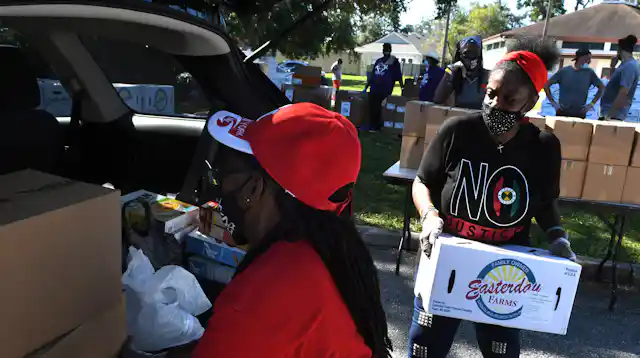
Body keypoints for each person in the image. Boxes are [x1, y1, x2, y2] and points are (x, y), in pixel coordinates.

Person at [408, 36, 577, 358]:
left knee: (501, 349)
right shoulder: (457, 131)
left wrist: (558, 238)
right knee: (425, 346)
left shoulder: (543, 147)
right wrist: (430, 216)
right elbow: (422, 181)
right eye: (491, 93)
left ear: (529, 103)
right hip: (448, 259)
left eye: (509, 99)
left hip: (504, 273)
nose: (496, 104)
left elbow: (544, 203)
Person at [191, 103, 393, 358]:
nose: (218, 186)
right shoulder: (328, 248)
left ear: (253, 189)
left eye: (222, 174)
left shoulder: (264, 294)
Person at [544, 48, 605, 118]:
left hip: (580, 114)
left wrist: (591, 104)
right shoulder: (564, 71)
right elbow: (546, 85)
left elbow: (602, 87)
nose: (589, 62)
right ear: (581, 58)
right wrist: (554, 104)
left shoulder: (589, 73)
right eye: (588, 59)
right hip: (562, 112)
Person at [433, 35, 489, 110]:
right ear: (460, 55)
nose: (471, 57)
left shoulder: (487, 76)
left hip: (479, 119)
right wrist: (450, 72)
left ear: (479, 55)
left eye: (474, 53)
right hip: (459, 119)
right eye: (467, 53)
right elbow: (438, 99)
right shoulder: (455, 76)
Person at [364, 42, 403, 132]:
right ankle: (372, 125)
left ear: (390, 50)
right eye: (384, 48)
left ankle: (378, 126)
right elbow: (373, 75)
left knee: (380, 107)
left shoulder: (394, 61)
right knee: (372, 106)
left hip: (385, 89)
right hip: (374, 88)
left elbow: (398, 75)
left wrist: (402, 88)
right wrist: (367, 86)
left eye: (386, 48)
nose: (384, 50)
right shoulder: (379, 61)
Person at [600, 35, 640, 121]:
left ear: (621, 50)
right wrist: (612, 67)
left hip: (614, 115)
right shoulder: (623, 65)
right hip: (609, 113)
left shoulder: (629, 66)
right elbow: (614, 84)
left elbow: (623, 92)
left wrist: (609, 115)